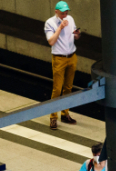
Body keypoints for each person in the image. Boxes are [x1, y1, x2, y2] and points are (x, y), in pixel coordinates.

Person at [44, 1, 79, 130]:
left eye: (67, 11)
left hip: (71, 56)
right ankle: (53, 117)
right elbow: (51, 41)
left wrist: (77, 34)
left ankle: (65, 113)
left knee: (68, 87)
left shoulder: (70, 19)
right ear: (56, 11)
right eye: (63, 12)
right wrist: (60, 28)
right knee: (57, 89)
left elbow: (74, 35)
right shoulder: (50, 23)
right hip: (59, 59)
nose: (65, 14)